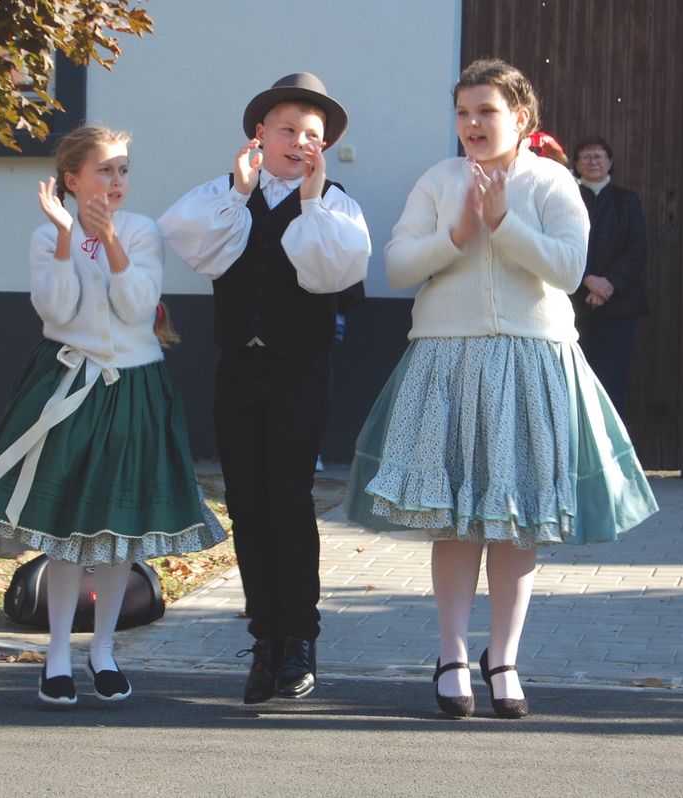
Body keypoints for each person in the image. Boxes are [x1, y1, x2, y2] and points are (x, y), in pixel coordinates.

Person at [345, 59, 657, 719]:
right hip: (446, 359)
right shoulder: (438, 180)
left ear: (521, 117)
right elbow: (399, 264)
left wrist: (503, 221)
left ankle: (505, 656)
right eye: (463, 113)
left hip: (531, 358)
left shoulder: (552, 182)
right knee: (454, 520)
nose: (472, 125)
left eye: (486, 111)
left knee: (516, 524)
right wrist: (458, 232)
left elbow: (571, 270)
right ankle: (452, 652)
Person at [0, 125, 225, 707]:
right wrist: (63, 237)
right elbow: (57, 309)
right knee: (66, 530)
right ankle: (56, 652)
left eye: (123, 169)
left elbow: (136, 307)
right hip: (69, 381)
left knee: (115, 533)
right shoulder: (48, 235)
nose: (116, 181)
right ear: (71, 180)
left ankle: (103, 651)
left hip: (133, 386)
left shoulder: (143, 231)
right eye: (104, 170)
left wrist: (113, 244)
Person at [158, 73, 371, 704]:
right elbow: (196, 249)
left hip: (298, 372)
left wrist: (307, 201)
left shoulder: (335, 202)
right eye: (288, 130)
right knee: (247, 506)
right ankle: (264, 641)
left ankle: (299, 640)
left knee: (288, 501)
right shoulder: (221, 195)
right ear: (259, 135)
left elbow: (332, 273)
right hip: (236, 371)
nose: (300, 141)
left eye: (313, 134)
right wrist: (241, 193)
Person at [570, 135, 649, 419]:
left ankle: (610, 456)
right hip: (574, 305)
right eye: (586, 157)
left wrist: (608, 284)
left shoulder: (627, 201)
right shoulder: (567, 198)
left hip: (619, 307)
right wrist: (586, 279)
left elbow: (637, 249)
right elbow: (562, 243)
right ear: (576, 165)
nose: (593, 162)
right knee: (573, 385)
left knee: (611, 385)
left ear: (610, 162)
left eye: (599, 156)